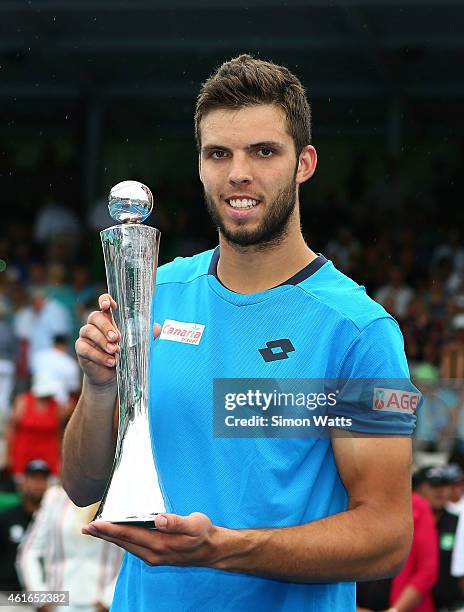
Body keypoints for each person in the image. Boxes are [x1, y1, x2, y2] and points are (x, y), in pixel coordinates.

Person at [63, 54, 417, 611]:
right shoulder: (155, 292)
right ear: (200, 163)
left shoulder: (362, 331)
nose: (238, 174)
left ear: (305, 162)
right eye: (218, 153)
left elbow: (388, 537)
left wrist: (224, 549)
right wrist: (100, 387)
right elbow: (82, 487)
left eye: (264, 151)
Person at [17, 484, 122, 612]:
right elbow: (30, 551)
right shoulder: (54, 497)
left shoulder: (118, 495)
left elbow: (131, 554)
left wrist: (109, 598)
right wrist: (40, 598)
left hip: (106, 605)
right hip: (59, 604)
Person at [413, 465, 463, 610]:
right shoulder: (406, 525)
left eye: (445, 485)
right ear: (419, 488)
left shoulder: (460, 523)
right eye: (433, 485)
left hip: (452, 606)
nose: (440, 491)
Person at [0, 459, 50, 593]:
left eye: (43, 479)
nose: (38, 484)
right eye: (33, 478)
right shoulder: (6, 518)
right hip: (10, 593)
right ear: (23, 482)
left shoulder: (53, 520)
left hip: (48, 594)